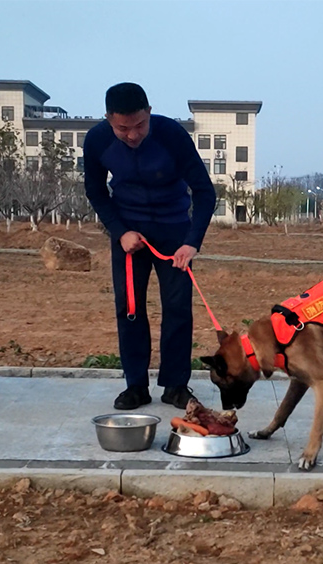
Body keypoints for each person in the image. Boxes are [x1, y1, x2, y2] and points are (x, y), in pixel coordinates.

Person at [84, 82, 216, 410]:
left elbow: (204, 192)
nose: (132, 135)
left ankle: (175, 385)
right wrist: (119, 231)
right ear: (108, 120)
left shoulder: (171, 135)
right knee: (129, 309)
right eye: (122, 128)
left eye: (140, 125)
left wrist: (191, 243)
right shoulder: (97, 140)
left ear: (150, 113)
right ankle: (135, 385)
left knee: (177, 309)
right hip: (130, 235)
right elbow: (96, 192)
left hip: (174, 233)